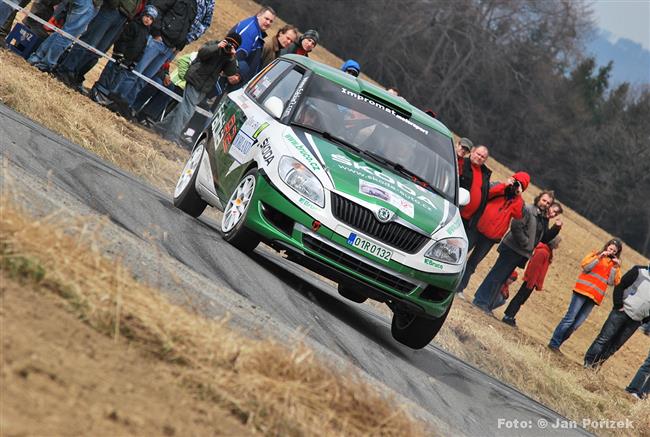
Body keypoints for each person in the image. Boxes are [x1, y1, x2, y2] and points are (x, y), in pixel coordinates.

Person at [472, 190, 562, 313]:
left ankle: (486, 304)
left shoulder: (542, 217)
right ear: (538, 199)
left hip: (520, 252)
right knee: (496, 275)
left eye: (548, 203)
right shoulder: (528, 210)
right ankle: (480, 300)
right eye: (544, 200)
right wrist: (526, 243)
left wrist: (556, 228)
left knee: (502, 278)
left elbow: (544, 238)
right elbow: (516, 226)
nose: (545, 204)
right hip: (512, 248)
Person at [109, 0, 197, 109]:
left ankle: (126, 104)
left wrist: (178, 46)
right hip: (157, 41)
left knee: (144, 79)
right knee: (135, 72)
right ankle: (115, 99)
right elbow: (157, 8)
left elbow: (187, 28)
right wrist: (157, 33)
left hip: (169, 48)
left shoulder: (194, 5)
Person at [155, 32, 240, 144]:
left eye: (233, 46)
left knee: (183, 107)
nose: (229, 46)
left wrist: (232, 57)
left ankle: (160, 127)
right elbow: (202, 54)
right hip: (195, 78)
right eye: (229, 43)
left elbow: (231, 72)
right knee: (187, 110)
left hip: (205, 87)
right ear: (225, 40)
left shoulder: (230, 57)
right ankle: (172, 135)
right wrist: (217, 47)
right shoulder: (214, 44)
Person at [456, 172, 530, 300]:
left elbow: (518, 215)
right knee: (459, 255)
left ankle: (459, 288)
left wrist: (518, 196)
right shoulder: (498, 186)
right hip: (476, 228)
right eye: (516, 181)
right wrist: (504, 186)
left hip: (490, 237)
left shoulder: (518, 201)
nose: (516, 186)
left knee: (473, 263)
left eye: (520, 185)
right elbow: (486, 194)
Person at [548, 238, 623, 351]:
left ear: (617, 253)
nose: (611, 251)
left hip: (594, 298)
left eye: (614, 251)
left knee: (576, 325)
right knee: (569, 319)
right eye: (610, 248)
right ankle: (553, 343)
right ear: (607, 246)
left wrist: (615, 267)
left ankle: (558, 345)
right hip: (582, 290)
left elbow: (612, 282)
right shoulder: (594, 254)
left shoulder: (614, 265)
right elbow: (586, 266)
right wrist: (599, 257)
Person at [54, 0, 145, 91]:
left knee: (99, 51)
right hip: (111, 9)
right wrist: (114, 4)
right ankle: (65, 69)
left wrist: (131, 15)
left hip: (124, 17)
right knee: (89, 42)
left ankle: (76, 75)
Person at [89, 5, 157, 108]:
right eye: (147, 16)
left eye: (151, 19)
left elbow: (142, 49)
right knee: (109, 74)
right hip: (120, 58)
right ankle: (97, 91)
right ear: (143, 15)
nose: (148, 19)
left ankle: (106, 96)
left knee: (117, 80)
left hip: (128, 61)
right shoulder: (133, 25)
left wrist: (135, 62)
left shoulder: (146, 33)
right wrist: (119, 54)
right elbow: (122, 40)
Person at [583, 264, 649, 368]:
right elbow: (620, 285)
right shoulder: (639, 271)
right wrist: (618, 305)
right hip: (621, 312)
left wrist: (644, 319)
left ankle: (596, 366)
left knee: (614, 346)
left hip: (635, 321)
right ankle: (588, 362)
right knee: (604, 339)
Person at [502, 236, 561, 326]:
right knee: (520, 298)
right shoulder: (543, 252)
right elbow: (535, 269)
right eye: (558, 243)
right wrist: (531, 283)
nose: (558, 246)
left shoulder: (546, 252)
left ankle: (510, 315)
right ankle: (508, 316)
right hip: (531, 281)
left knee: (521, 299)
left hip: (532, 281)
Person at [26, 0, 100, 72]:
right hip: (88, 3)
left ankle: (37, 58)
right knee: (67, 36)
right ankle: (45, 64)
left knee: (64, 32)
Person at [228, 5, 275, 87]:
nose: (268, 23)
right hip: (230, 79)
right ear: (259, 15)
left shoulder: (257, 31)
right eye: (266, 19)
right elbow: (238, 54)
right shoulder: (251, 31)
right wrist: (232, 74)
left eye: (271, 21)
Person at [458, 145, 491, 249]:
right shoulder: (463, 164)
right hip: (457, 214)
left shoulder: (485, 174)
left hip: (469, 221)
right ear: (472, 152)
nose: (480, 157)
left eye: (483, 157)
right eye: (478, 154)